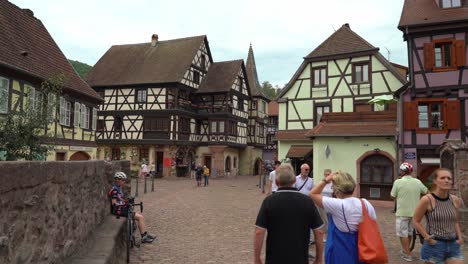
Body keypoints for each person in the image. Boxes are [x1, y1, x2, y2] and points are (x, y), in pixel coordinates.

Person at [254, 164, 324, 264]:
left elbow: (259, 232)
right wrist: (319, 259)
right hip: (300, 258)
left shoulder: (269, 201)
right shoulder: (307, 201)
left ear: (277, 182)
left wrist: (257, 259)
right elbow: (319, 232)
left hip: (275, 258)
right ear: (294, 181)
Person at [309, 170, 377, 264]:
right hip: (363, 248)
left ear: (336, 190)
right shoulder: (365, 203)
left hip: (342, 251)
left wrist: (326, 180)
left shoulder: (338, 205)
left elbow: (313, 194)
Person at [413, 168, 464, 264]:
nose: (446, 180)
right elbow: (415, 220)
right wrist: (427, 237)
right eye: (443, 178)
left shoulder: (455, 200)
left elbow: (455, 221)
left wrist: (460, 237)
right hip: (435, 244)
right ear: (435, 181)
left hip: (453, 244)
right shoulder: (427, 200)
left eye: (449, 178)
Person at [391, 162, 428, 262]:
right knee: (409, 232)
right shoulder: (417, 182)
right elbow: (426, 191)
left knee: (402, 234)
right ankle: (405, 251)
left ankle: (407, 254)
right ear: (410, 171)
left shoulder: (398, 182)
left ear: (402, 171)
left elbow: (393, 196)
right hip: (415, 213)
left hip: (402, 212)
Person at [109, 171, 156, 243]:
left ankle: (145, 234)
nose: (124, 182)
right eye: (123, 180)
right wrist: (124, 204)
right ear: (118, 180)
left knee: (139, 214)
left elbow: (120, 200)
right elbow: (114, 203)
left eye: (124, 180)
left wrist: (125, 203)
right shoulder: (115, 191)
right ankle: (144, 237)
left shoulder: (117, 188)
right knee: (140, 217)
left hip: (121, 209)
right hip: (119, 210)